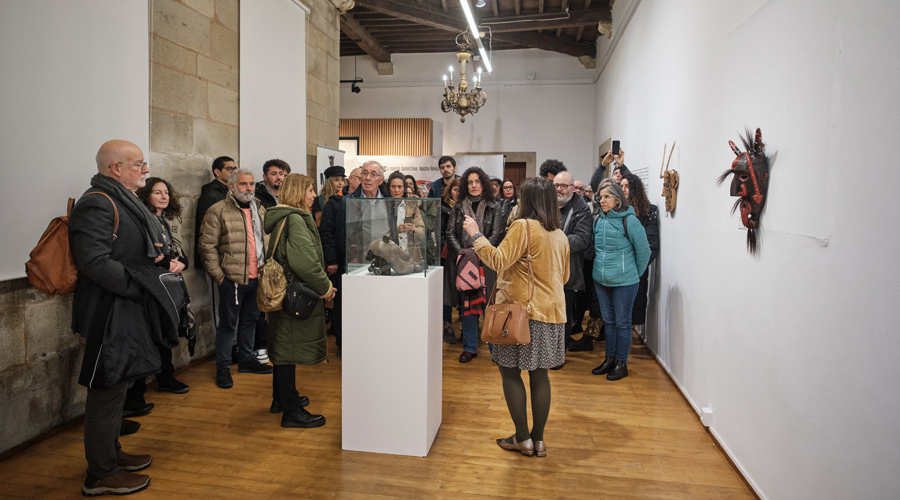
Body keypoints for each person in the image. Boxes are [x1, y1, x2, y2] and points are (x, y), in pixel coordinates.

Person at [70, 140, 180, 496]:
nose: (145, 170)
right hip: (109, 309)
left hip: (125, 306)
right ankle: (100, 473)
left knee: (119, 385)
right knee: (107, 388)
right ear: (115, 168)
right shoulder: (96, 203)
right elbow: (94, 262)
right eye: (138, 164)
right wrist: (142, 286)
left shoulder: (122, 200)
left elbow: (133, 251)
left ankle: (112, 455)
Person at [462, 177, 570, 457]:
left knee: (510, 374)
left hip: (520, 314)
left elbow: (497, 260)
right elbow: (565, 277)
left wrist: (476, 234)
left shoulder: (523, 227)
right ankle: (539, 440)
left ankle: (522, 439)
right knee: (540, 375)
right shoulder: (559, 235)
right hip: (552, 314)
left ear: (528, 201)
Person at [264, 174, 333, 428]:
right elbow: (304, 262)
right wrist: (325, 288)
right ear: (296, 193)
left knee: (283, 348)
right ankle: (291, 412)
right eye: (309, 190)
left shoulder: (284, 216)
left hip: (282, 292)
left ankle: (281, 399)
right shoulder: (296, 219)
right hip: (293, 294)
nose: (314, 195)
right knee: (287, 351)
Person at [199, 167, 274, 389]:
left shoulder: (259, 209)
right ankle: (222, 369)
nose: (248, 188)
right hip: (232, 279)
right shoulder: (217, 211)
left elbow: (265, 241)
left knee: (250, 321)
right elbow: (206, 246)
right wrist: (219, 276)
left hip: (257, 277)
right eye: (243, 184)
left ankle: (246, 360)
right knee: (227, 326)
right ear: (231, 186)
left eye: (251, 184)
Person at [124, 178, 192, 418]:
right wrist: (167, 262)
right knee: (148, 338)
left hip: (167, 285)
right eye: (157, 192)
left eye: (166, 192)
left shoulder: (168, 221)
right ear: (145, 195)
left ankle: (166, 377)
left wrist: (181, 263)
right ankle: (136, 395)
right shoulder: (141, 220)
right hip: (148, 286)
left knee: (166, 333)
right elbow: (145, 253)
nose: (164, 197)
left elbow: (180, 253)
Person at [320, 161, 390, 358]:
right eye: (364, 173)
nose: (367, 178)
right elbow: (332, 233)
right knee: (349, 306)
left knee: (377, 305)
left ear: (381, 179)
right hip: (354, 262)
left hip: (383, 263)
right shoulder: (345, 202)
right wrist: (333, 259)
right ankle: (345, 344)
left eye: (373, 174)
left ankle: (376, 341)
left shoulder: (390, 201)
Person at [590, 182, 650, 381]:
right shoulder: (598, 219)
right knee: (609, 322)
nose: (602, 200)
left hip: (625, 282)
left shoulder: (630, 221)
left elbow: (644, 252)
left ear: (618, 199)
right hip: (601, 280)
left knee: (623, 323)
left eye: (607, 196)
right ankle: (610, 359)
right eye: (601, 196)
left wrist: (632, 274)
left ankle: (621, 363)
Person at [446, 166, 504, 363]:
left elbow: (497, 234)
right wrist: (463, 254)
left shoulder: (495, 206)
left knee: (490, 307)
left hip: (487, 261)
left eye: (477, 181)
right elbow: (450, 234)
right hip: (465, 262)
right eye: (470, 182)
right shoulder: (458, 206)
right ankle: (470, 347)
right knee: (467, 307)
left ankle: (494, 348)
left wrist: (482, 251)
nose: (473, 185)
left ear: (483, 183)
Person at [551, 172, 592, 369]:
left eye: (563, 186)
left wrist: (553, 243)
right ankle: (547, 350)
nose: (559, 189)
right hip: (545, 270)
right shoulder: (546, 205)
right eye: (556, 185)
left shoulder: (581, 209)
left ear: (572, 188)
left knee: (564, 314)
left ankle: (559, 354)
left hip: (568, 270)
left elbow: (583, 238)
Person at [620, 174, 660, 330]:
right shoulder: (617, 210)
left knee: (630, 312)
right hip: (618, 266)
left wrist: (636, 266)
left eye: (627, 186)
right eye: (621, 186)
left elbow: (652, 244)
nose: (623, 189)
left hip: (636, 269)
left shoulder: (647, 212)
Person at [194, 156, 235, 266]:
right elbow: (208, 229)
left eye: (235, 169)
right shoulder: (210, 194)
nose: (233, 172)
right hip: (217, 254)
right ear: (217, 171)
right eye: (230, 169)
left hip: (229, 251)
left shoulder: (231, 192)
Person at [387, 171, 426, 266]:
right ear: (389, 188)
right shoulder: (384, 206)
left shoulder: (412, 206)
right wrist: (396, 231)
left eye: (399, 187)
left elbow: (422, 233)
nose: (396, 190)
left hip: (412, 256)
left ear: (404, 188)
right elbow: (380, 233)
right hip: (390, 256)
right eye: (393, 186)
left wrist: (413, 229)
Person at [440, 178, 461, 344]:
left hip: (464, 254)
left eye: (460, 189)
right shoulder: (441, 207)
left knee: (464, 287)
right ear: (450, 190)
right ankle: (447, 323)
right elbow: (438, 231)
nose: (457, 193)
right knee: (446, 291)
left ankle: (464, 319)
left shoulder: (467, 206)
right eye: (455, 189)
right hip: (446, 254)